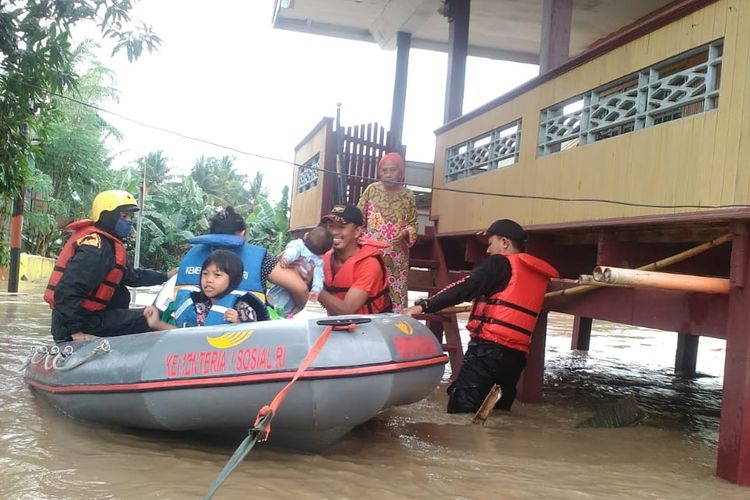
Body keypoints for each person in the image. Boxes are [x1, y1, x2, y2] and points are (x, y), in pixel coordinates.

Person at [402, 219, 559, 413]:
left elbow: (466, 287)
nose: (487, 250)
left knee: (461, 412)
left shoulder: (499, 263)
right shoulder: (537, 274)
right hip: (515, 359)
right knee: (496, 413)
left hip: (488, 352)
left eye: (490, 243)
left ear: (504, 243)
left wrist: (424, 306)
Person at [45, 190, 174, 343]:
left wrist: (165, 276)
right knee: (150, 319)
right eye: (124, 216)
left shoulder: (108, 245)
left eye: (131, 217)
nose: (129, 221)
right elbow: (67, 290)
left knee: (137, 307)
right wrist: (76, 331)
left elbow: (129, 275)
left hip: (88, 318)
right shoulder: (95, 249)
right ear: (107, 216)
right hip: (78, 324)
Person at [171, 206, 309, 323]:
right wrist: (295, 310)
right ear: (243, 234)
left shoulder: (191, 254)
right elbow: (301, 289)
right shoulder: (261, 259)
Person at [357, 151, 418, 312]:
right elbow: (358, 217)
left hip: (397, 254)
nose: (388, 174)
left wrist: (405, 233)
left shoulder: (408, 196)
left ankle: (395, 327)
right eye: (384, 170)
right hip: (371, 250)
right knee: (369, 286)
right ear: (379, 172)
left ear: (401, 172)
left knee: (396, 294)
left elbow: (413, 224)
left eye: (393, 170)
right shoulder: (372, 190)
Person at [145, 250, 256, 330]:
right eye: (205, 274)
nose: (209, 280)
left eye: (217, 275)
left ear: (233, 279)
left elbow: (255, 340)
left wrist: (238, 322)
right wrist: (157, 324)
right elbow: (184, 336)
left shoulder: (243, 308)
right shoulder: (198, 306)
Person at [317, 204, 393, 315]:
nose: (334, 232)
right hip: (338, 325)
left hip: (371, 327)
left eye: (341, 227)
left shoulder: (370, 264)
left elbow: (347, 310)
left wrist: (312, 286)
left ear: (357, 231)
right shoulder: (326, 257)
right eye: (331, 226)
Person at [267, 226, 333, 317]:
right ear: (323, 252)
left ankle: (274, 312)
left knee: (276, 298)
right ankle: (288, 314)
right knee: (291, 305)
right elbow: (319, 277)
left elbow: (292, 250)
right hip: (298, 285)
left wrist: (287, 258)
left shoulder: (299, 244)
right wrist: (316, 290)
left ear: (306, 236)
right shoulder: (318, 261)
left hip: (286, 279)